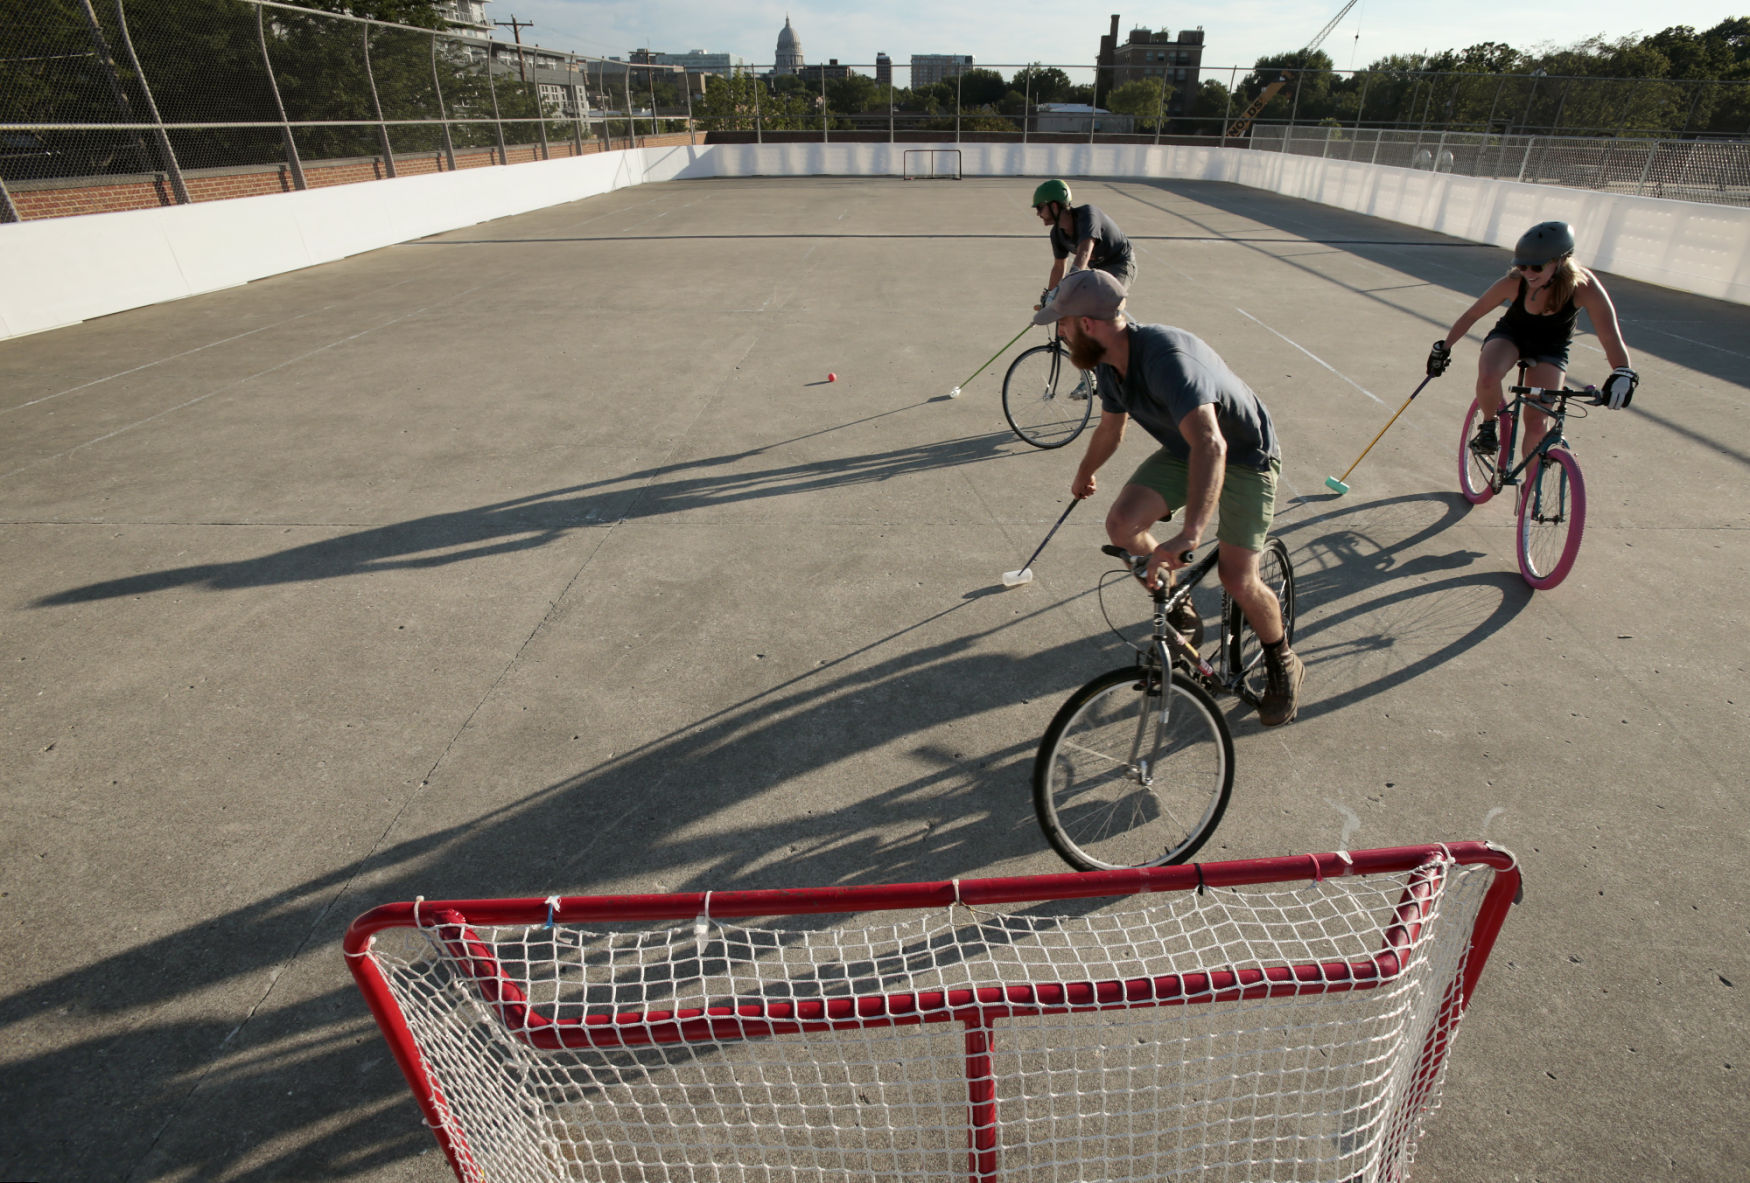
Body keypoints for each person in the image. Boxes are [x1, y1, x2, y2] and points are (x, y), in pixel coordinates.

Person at [1039, 269, 1303, 727]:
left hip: (1244, 454)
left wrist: (1190, 533)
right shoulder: (1108, 358)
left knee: (1237, 578)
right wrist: (1085, 472)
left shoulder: (1166, 359)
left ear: (1086, 323)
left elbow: (1213, 445)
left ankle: (1283, 661)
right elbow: (1111, 427)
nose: (1058, 332)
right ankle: (1181, 611)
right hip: (1187, 448)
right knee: (1122, 524)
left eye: (1061, 323)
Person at [1427, 220, 1638, 458]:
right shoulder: (1515, 282)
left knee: (1538, 424)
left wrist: (1623, 372)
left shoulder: (1584, 287)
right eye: (1523, 265)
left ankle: (1529, 491)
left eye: (1536, 267)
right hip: (1511, 337)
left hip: (1551, 348)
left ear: (1560, 261)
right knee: (1488, 376)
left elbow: (1609, 334)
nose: (1528, 272)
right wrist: (1443, 348)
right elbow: (1473, 313)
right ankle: (1488, 425)